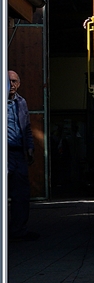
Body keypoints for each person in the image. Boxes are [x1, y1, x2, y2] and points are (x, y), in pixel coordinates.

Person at [8, 70, 36, 241]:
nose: (11, 84)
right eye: (8, 81)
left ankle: (19, 231)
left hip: (19, 154)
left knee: (21, 195)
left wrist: (30, 148)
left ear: (19, 84)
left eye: (14, 81)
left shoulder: (21, 102)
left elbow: (27, 128)